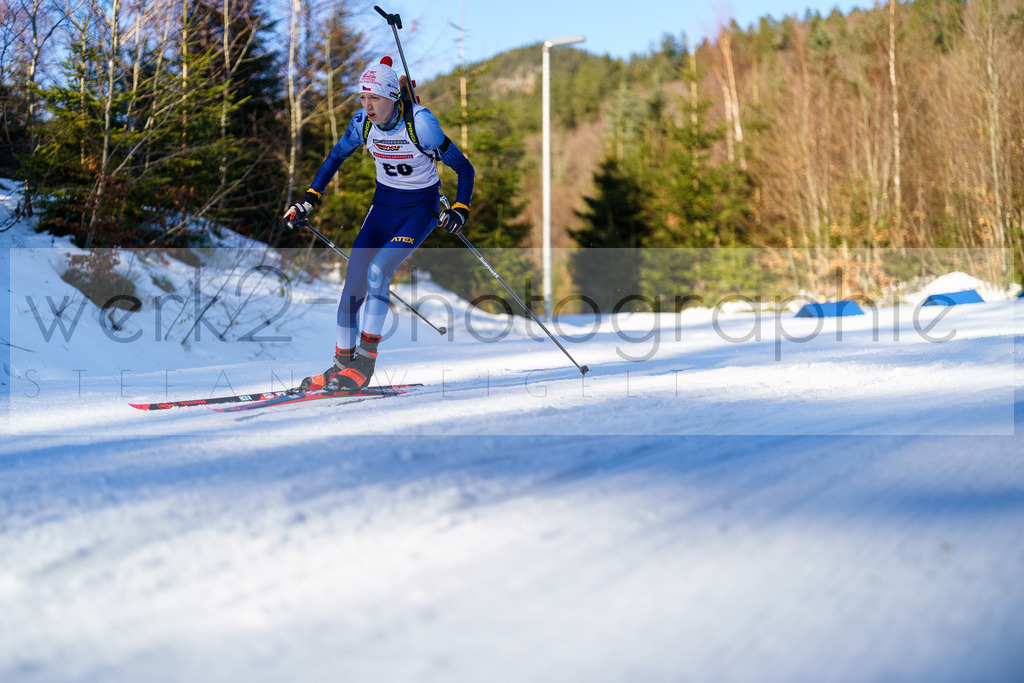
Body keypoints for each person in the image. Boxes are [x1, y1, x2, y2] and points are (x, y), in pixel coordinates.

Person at [283, 57, 474, 393]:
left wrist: (459, 209)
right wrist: (310, 197)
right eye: (362, 98)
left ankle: (365, 363)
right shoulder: (363, 124)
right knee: (353, 284)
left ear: (392, 97)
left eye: (374, 98)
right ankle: (342, 365)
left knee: (377, 272)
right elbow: (335, 157)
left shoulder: (421, 124)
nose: (367, 106)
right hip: (383, 207)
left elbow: (465, 169)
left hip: (419, 210)